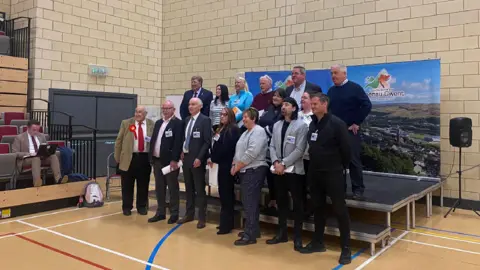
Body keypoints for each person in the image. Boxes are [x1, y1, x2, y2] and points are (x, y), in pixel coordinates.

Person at [299, 93, 352, 265]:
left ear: (324, 104)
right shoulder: (313, 123)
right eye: (311, 104)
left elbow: (346, 150)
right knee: (318, 208)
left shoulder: (337, 124)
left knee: (339, 210)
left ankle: (346, 248)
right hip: (315, 172)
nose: (312, 106)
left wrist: (340, 167)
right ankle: (317, 242)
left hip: (333, 172)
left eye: (315, 104)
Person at [266, 97, 308, 252]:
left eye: (287, 105)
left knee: (297, 204)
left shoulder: (301, 126)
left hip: (294, 170)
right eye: (282, 105)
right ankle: (282, 233)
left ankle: (298, 237)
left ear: (294, 108)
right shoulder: (277, 125)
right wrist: (276, 161)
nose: (283, 107)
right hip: (278, 170)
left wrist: (284, 163)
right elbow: (271, 145)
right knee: (281, 202)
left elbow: (299, 149)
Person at [327, 64, 372, 200]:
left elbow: (367, 105)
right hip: (334, 132)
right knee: (336, 162)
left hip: (349, 130)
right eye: (332, 74)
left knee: (353, 161)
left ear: (344, 74)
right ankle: (340, 189)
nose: (333, 76)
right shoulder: (331, 91)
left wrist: (356, 122)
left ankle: (358, 189)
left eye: (335, 73)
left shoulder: (355, 88)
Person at [231, 107, 268, 246]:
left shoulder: (258, 131)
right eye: (243, 117)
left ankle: (249, 235)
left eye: (246, 117)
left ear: (253, 118)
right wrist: (235, 163)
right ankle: (253, 230)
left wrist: (237, 167)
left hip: (254, 170)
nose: (244, 119)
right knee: (248, 203)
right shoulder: (246, 133)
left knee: (250, 203)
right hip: (245, 170)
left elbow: (252, 152)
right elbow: (238, 150)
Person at [178, 97, 212, 229]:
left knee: (199, 189)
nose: (190, 106)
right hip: (186, 158)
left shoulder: (205, 120)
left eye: (193, 104)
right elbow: (185, 138)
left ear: (200, 106)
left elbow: (207, 141)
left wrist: (200, 157)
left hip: (197, 159)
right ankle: (189, 213)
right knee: (189, 188)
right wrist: (182, 150)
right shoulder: (187, 120)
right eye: (189, 104)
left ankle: (202, 217)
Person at [114, 106, 154, 216]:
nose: (137, 114)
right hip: (128, 158)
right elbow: (119, 141)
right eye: (136, 111)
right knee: (127, 185)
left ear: (145, 113)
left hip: (144, 158)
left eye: (140, 112)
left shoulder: (152, 124)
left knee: (143, 184)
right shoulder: (126, 123)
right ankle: (127, 207)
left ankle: (141, 206)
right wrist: (118, 158)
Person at [148, 100, 183, 224]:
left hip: (170, 162)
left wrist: (175, 159)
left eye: (168, 108)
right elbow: (154, 141)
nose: (165, 110)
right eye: (163, 108)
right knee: (159, 188)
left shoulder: (178, 123)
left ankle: (174, 213)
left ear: (173, 109)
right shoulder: (158, 123)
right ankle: (160, 212)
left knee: (173, 188)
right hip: (157, 160)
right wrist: (151, 157)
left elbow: (178, 142)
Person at [208, 107, 241, 235]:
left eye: (225, 115)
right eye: (221, 114)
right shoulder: (220, 129)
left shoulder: (233, 129)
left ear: (230, 116)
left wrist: (214, 157)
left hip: (227, 165)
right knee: (223, 194)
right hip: (221, 165)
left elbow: (226, 148)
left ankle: (226, 225)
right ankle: (225, 222)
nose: (222, 117)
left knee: (226, 195)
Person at [12, 119, 67, 187]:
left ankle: (58, 179)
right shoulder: (19, 138)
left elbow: (45, 147)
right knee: (36, 158)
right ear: (28, 128)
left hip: (41, 157)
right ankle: (37, 182)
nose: (36, 132)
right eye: (34, 130)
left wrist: (48, 151)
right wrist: (29, 154)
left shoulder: (41, 136)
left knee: (53, 156)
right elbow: (15, 153)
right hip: (26, 159)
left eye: (37, 130)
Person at [258, 88, 287, 209]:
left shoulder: (283, 112)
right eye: (274, 95)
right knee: (269, 175)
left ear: (283, 99)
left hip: (276, 146)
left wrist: (260, 132)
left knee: (277, 176)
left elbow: (275, 127)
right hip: (265, 146)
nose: (275, 98)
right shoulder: (269, 108)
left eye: (278, 96)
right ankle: (272, 199)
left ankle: (280, 202)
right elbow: (260, 121)